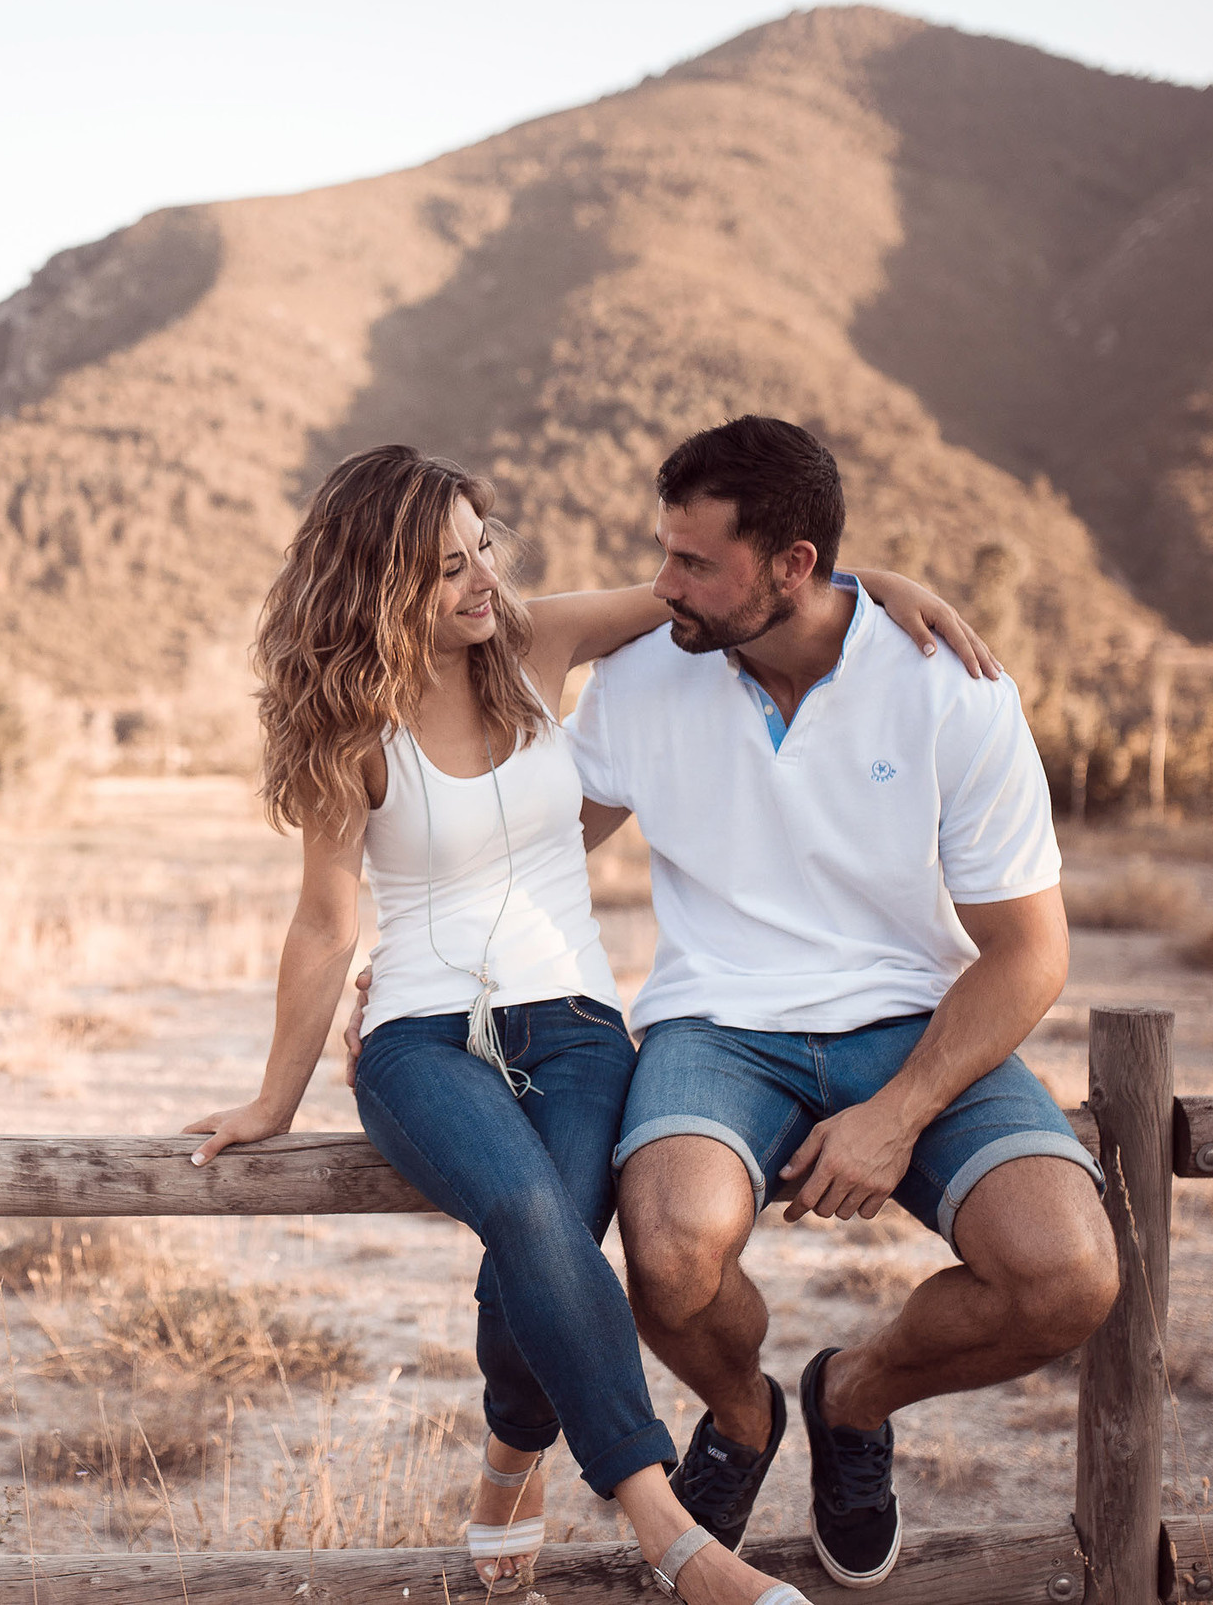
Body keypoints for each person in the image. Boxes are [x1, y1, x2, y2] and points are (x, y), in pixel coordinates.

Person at [185, 442, 994, 1603]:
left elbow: (734, 594)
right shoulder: (348, 729)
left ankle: (510, 1456)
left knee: (551, 1230)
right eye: (446, 568)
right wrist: (276, 1097)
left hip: (572, 1025)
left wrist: (881, 589)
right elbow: (323, 925)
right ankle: (668, 1528)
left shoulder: (537, 642)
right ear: (377, 583)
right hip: (419, 1035)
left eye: (483, 550)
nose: (482, 580)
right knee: (527, 1211)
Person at [565, 415, 1118, 1590]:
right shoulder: (643, 672)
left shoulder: (952, 692)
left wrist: (899, 1112)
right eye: (661, 552)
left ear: (794, 565)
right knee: (668, 1251)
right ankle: (742, 1415)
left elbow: (1028, 952)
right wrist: (410, 961)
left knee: (1068, 1275)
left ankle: (851, 1399)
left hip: (913, 1017)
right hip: (716, 1022)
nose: (662, 586)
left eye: (693, 562)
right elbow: (535, 856)